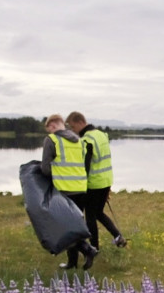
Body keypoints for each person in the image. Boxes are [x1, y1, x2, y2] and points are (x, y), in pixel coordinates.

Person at [40, 114, 99, 270]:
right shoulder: (78, 140)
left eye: (49, 129)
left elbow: (45, 169)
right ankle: (72, 262)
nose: (49, 132)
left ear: (52, 125)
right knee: (73, 225)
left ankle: (88, 250)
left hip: (64, 189)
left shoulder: (51, 140)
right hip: (80, 187)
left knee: (64, 228)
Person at [65, 111, 128, 252]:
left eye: (73, 127)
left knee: (90, 217)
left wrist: (78, 185)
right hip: (106, 180)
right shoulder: (101, 135)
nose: (73, 131)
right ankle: (118, 236)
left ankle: (94, 248)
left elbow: (85, 167)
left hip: (94, 183)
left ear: (80, 122)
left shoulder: (86, 140)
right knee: (98, 212)